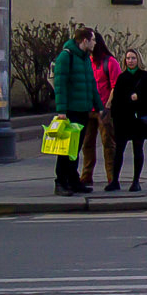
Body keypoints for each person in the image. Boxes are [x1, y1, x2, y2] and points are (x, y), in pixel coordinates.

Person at [52, 27, 101, 195]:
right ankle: (61, 182)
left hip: (83, 109)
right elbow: (60, 85)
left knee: (75, 148)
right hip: (70, 110)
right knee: (65, 149)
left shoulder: (85, 58)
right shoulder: (67, 56)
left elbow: (91, 84)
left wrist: (99, 106)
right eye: (93, 40)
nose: (95, 43)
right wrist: (61, 110)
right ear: (85, 41)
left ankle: (73, 180)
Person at [109, 48, 147, 192]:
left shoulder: (145, 77)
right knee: (119, 150)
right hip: (123, 120)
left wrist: (139, 97)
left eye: (133, 58)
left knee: (138, 149)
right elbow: (117, 99)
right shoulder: (122, 77)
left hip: (139, 120)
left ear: (138, 60)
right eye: (128, 58)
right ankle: (114, 180)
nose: (130, 61)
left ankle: (136, 181)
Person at [79, 34, 121, 191]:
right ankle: (86, 175)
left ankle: (112, 177)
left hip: (103, 109)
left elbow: (115, 86)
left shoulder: (109, 62)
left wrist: (108, 106)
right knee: (87, 143)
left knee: (108, 143)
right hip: (87, 108)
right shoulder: (85, 61)